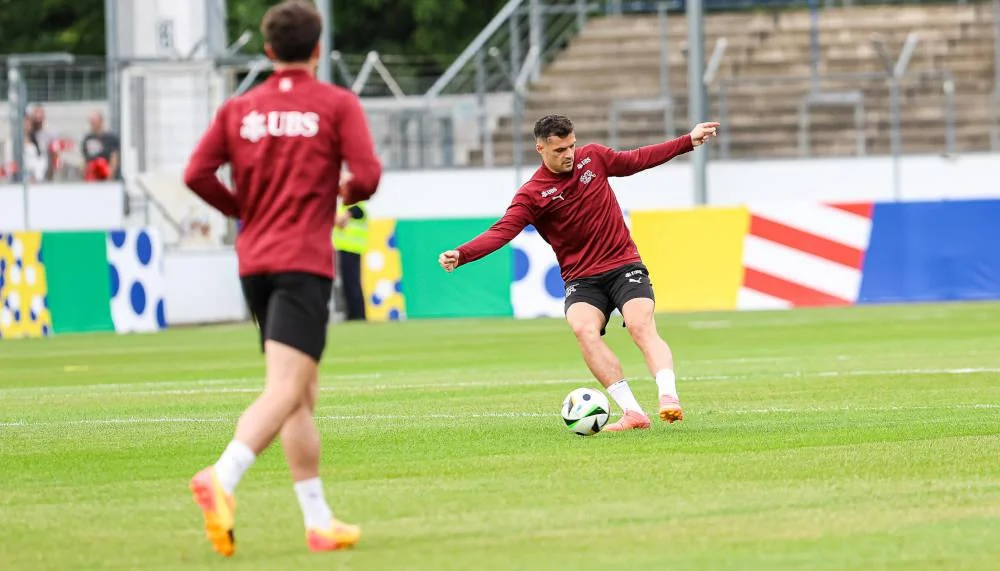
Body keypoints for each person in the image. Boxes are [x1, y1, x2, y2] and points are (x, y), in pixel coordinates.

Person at [182, 0, 381, 557]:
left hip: (254, 262)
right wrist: (337, 196)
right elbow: (366, 176)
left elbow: (195, 173)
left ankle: (318, 521)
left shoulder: (238, 108)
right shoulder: (335, 103)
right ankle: (221, 476)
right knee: (288, 388)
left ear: (268, 51)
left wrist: (241, 208)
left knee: (300, 394)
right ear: (318, 48)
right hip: (301, 261)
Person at [438, 114, 719, 432]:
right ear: (540, 149)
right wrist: (463, 254)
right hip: (582, 279)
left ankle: (668, 396)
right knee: (583, 330)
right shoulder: (532, 194)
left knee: (640, 326)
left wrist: (687, 141)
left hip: (624, 264)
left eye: (571, 145)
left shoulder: (594, 158)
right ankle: (633, 413)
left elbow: (636, 159)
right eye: (559, 150)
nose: (569, 154)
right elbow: (502, 231)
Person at [332, 199, 369, 321]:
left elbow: (357, 211)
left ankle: (357, 316)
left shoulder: (355, 204)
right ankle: (353, 315)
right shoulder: (344, 205)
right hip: (344, 248)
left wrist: (345, 216)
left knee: (352, 284)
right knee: (348, 284)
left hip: (352, 248)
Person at [81, 111, 120, 181]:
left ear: (101, 121)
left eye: (94, 121)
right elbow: (84, 159)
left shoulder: (110, 138)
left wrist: (110, 176)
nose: (93, 124)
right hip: (92, 175)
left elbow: (114, 157)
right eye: (91, 121)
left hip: (105, 173)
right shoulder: (87, 139)